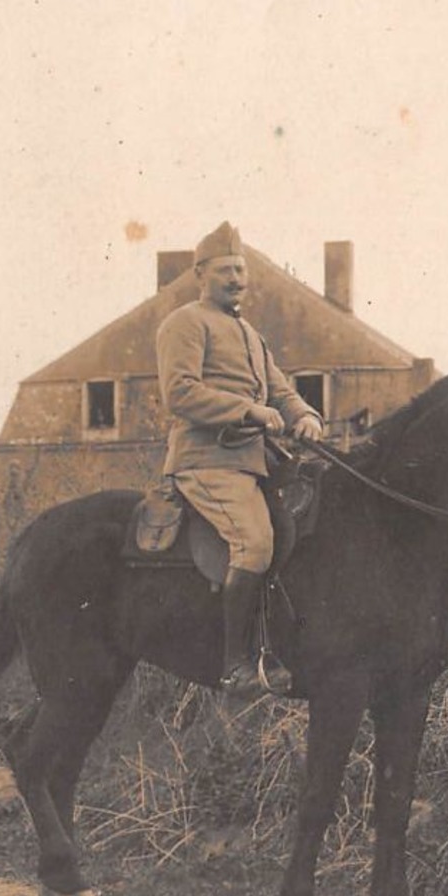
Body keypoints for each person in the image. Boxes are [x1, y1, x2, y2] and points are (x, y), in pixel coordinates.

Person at [155, 222, 324, 694]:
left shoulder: (250, 333)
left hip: (253, 464)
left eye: (242, 269)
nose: (237, 278)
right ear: (200, 274)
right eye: (226, 269)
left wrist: (305, 415)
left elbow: (281, 390)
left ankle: (278, 646)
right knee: (254, 542)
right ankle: (235, 665)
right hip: (206, 460)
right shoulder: (186, 322)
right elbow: (180, 392)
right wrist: (247, 409)